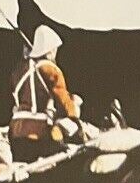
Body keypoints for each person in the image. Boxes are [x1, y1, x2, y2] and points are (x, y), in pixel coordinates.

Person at [10, 24, 86, 164]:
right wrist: (76, 117)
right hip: (38, 132)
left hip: (16, 131)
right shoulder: (51, 70)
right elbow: (63, 100)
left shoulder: (18, 71)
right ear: (50, 50)